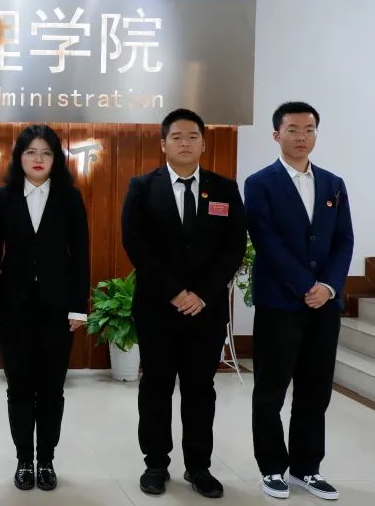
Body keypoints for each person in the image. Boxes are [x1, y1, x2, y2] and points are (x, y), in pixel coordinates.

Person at [121, 108, 246, 499]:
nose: (185, 143)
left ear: (204, 143)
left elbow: (233, 248)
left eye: (193, 136)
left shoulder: (224, 189)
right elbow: (135, 243)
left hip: (205, 311)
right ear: (163, 144)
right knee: (156, 387)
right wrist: (175, 291)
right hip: (157, 308)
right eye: (176, 137)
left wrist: (202, 293)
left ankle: (199, 467)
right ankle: (156, 464)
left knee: (200, 389)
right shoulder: (142, 187)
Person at [246, 101, 353, 501]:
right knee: (271, 390)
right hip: (280, 303)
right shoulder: (260, 183)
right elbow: (265, 239)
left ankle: (307, 468)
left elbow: (344, 240)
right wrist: (306, 285)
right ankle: (272, 468)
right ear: (277, 135)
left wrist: (328, 286)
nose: (301, 136)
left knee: (315, 390)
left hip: (324, 305)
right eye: (292, 129)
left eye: (309, 129)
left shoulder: (333, 183)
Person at [0, 124, 90, 492]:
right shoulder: (3, 197)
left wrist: (78, 307)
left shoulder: (70, 198)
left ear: (55, 159)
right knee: (18, 387)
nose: (38, 159)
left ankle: (45, 459)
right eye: (31, 151)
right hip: (12, 307)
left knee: (51, 388)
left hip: (57, 308)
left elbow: (80, 254)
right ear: (19, 156)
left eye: (46, 152)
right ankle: (23, 460)